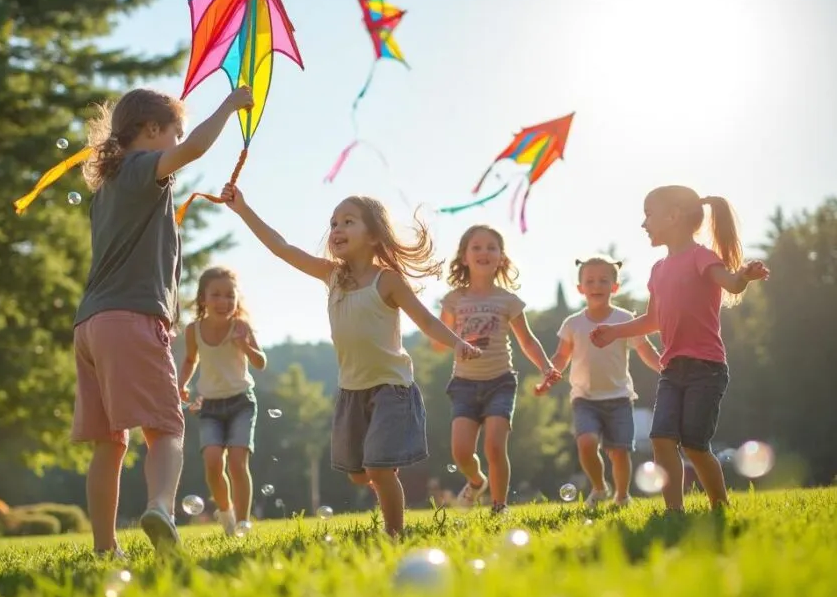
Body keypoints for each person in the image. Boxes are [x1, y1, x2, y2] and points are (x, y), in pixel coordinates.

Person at [219, 184, 480, 536]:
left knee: (378, 468)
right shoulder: (333, 276)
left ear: (373, 235)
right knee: (360, 474)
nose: (337, 229)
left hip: (391, 388)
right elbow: (282, 248)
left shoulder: (387, 281)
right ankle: (383, 471)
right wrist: (243, 209)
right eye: (333, 223)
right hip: (351, 390)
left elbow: (427, 321)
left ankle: (394, 533)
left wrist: (457, 343)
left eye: (348, 221)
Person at [71, 84, 254, 555]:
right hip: (131, 319)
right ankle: (160, 508)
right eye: (175, 132)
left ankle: (105, 547)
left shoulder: (107, 188)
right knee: (167, 429)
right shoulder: (140, 170)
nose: (179, 142)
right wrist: (230, 105)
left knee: (110, 443)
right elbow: (195, 150)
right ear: (152, 130)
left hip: (90, 326)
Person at [590, 187, 769, 510]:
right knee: (661, 439)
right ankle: (674, 512)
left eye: (648, 215)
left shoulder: (701, 256)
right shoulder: (658, 270)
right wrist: (614, 332)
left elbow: (731, 283)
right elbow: (652, 320)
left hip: (706, 369)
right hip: (671, 369)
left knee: (695, 446)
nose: (643, 224)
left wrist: (743, 276)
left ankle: (720, 506)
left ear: (673, 216)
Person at [437, 224, 560, 514]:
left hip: (500, 383)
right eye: (476, 247)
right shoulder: (454, 299)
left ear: (501, 257)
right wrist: (454, 342)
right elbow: (439, 340)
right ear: (464, 257)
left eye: (491, 247)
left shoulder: (508, 301)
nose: (484, 252)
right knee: (461, 452)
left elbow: (527, 341)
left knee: (494, 446)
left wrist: (546, 366)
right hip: (464, 384)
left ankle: (499, 506)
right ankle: (476, 481)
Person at [538, 255, 660, 507]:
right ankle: (599, 487)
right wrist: (549, 375)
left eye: (604, 280)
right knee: (586, 442)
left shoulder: (624, 319)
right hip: (584, 399)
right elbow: (561, 355)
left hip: (619, 398)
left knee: (620, 451)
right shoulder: (573, 323)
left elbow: (645, 348)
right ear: (580, 288)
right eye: (590, 281)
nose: (596, 286)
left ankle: (622, 495)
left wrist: (663, 366)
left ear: (615, 287)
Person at [179, 266, 266, 535]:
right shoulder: (193, 330)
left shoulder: (241, 327)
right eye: (216, 295)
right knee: (213, 462)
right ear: (202, 299)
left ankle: (242, 524)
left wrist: (245, 346)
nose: (223, 301)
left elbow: (260, 363)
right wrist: (181, 384)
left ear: (237, 299)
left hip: (241, 403)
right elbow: (190, 360)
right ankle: (226, 511)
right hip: (210, 406)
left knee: (238, 462)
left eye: (230, 295)